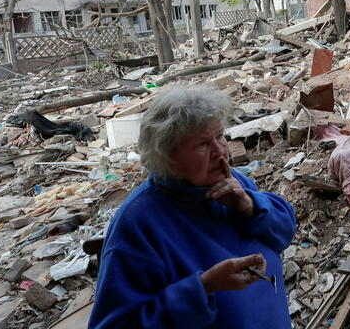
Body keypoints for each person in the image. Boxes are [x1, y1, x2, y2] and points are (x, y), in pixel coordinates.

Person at [88, 86, 296, 328]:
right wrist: (204, 287)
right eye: (203, 144)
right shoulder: (139, 224)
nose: (220, 151)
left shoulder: (233, 182)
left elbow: (284, 232)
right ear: (167, 157)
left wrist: (250, 206)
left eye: (220, 136)